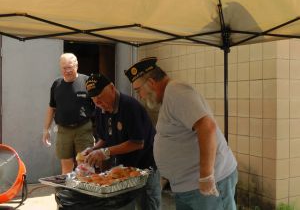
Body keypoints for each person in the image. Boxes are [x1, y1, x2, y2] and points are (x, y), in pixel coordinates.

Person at [124, 57, 238, 210]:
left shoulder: (176, 91)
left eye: (139, 90)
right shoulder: (169, 97)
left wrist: (206, 176)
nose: (140, 96)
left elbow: (207, 126)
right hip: (188, 186)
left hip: (206, 184)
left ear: (151, 83)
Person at [82, 73, 161, 210]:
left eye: (100, 97)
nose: (98, 102)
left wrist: (105, 152)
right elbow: (104, 138)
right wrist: (94, 149)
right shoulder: (100, 109)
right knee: (123, 205)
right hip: (123, 169)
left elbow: (137, 142)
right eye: (94, 99)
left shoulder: (130, 106)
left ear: (112, 88)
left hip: (145, 166)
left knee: (147, 205)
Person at [42, 53, 95, 174]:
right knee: (66, 166)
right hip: (63, 131)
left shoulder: (87, 81)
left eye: (70, 67)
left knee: (84, 165)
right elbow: (51, 108)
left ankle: (84, 192)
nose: (67, 70)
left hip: (83, 129)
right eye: (64, 68)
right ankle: (67, 192)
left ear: (76, 65)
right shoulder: (57, 84)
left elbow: (99, 105)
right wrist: (46, 130)